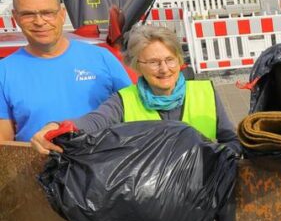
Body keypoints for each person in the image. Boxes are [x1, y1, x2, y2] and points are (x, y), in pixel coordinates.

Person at [30, 25, 241, 155]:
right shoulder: (123, 101)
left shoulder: (205, 91)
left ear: (179, 60)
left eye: (170, 60)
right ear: (137, 66)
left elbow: (231, 141)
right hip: (149, 199)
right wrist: (54, 127)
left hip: (201, 195)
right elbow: (92, 122)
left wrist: (211, 158)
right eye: (153, 62)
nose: (164, 69)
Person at [0, 0, 131, 142]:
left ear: (62, 14)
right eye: (28, 14)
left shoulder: (102, 58)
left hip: (103, 156)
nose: (39, 21)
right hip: (39, 158)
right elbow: (4, 143)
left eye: (47, 13)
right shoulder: (4, 72)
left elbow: (134, 110)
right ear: (16, 18)